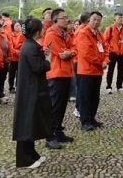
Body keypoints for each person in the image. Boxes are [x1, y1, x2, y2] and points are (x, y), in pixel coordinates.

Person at [12, 17, 53, 169]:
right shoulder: (29, 47)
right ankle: (24, 159)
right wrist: (48, 60)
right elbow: (38, 67)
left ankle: (31, 153)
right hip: (30, 89)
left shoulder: (31, 45)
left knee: (32, 122)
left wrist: (43, 54)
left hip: (33, 87)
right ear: (36, 32)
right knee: (27, 122)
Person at [43, 8, 76, 148]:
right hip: (56, 73)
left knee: (62, 105)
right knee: (54, 105)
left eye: (66, 17)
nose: (66, 20)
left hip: (66, 72)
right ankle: (49, 136)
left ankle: (58, 131)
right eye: (63, 18)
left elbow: (74, 49)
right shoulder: (51, 34)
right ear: (55, 20)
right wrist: (70, 53)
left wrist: (70, 53)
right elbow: (61, 53)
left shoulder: (65, 34)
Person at [75, 11, 108, 131]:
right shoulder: (83, 33)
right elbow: (86, 53)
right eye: (94, 19)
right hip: (86, 70)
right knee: (85, 97)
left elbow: (106, 48)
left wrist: (106, 60)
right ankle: (85, 121)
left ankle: (91, 118)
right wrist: (100, 62)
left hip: (97, 71)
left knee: (95, 97)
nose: (96, 22)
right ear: (89, 19)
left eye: (98, 20)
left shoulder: (99, 34)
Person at [103, 12, 123, 93]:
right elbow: (105, 40)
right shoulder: (110, 28)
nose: (121, 19)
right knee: (111, 70)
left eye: (121, 17)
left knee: (121, 71)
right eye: (119, 17)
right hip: (113, 52)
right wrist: (110, 48)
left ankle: (119, 86)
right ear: (115, 19)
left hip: (122, 53)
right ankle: (108, 87)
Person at [7, 20, 24, 93]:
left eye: (19, 25)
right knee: (11, 73)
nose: (18, 27)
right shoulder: (10, 35)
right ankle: (11, 87)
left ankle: (18, 86)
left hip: (20, 57)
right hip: (13, 58)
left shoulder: (23, 34)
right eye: (16, 26)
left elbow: (24, 44)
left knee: (19, 73)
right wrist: (17, 51)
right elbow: (10, 47)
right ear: (13, 27)